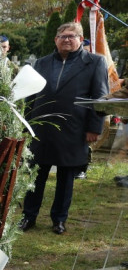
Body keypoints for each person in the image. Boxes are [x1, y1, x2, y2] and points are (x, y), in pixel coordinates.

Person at [18, 22, 109, 235]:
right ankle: (28, 216)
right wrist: (25, 124)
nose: (66, 39)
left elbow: (100, 97)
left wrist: (94, 127)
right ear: (55, 40)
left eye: (71, 36)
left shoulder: (95, 62)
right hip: (41, 128)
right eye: (62, 36)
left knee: (66, 178)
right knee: (35, 175)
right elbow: (31, 96)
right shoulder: (41, 63)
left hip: (73, 128)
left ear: (81, 39)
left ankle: (59, 219)